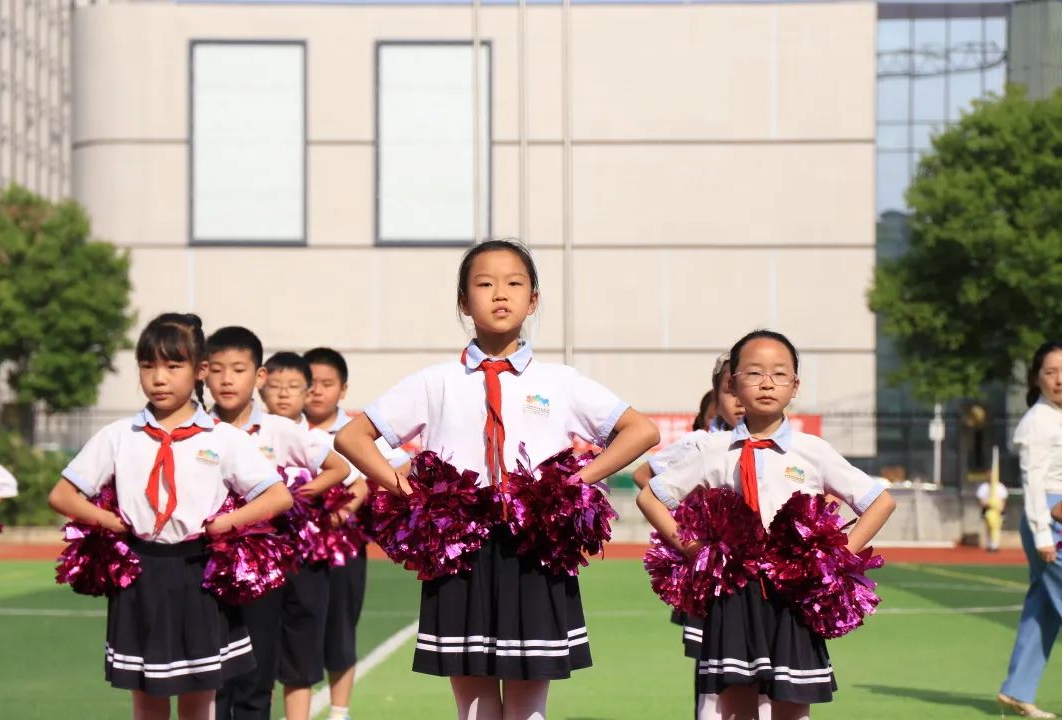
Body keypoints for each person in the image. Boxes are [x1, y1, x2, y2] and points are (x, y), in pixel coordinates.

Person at [336, 239, 659, 720]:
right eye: (484, 284)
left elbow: (642, 431)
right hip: (458, 550)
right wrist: (408, 493)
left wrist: (577, 481)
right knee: (473, 700)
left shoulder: (561, 381)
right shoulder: (434, 381)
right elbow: (352, 437)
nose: (500, 294)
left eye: (514, 283)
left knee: (529, 699)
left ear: (533, 300)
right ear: (464, 302)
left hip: (536, 547)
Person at [637, 329, 895, 720]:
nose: (767, 383)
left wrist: (836, 557)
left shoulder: (812, 450)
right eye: (754, 372)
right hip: (733, 595)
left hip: (793, 596)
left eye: (779, 373)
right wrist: (692, 550)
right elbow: (650, 497)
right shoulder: (713, 449)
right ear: (732, 384)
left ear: (795, 385)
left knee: (792, 706)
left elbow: (880, 501)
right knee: (736, 706)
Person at [47, 313, 293, 720]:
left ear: (199, 371)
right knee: (147, 695)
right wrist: (110, 523)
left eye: (173, 366)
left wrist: (226, 523)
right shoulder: (118, 435)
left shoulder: (223, 438)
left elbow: (277, 496)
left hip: (200, 573)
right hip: (139, 575)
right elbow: (62, 494)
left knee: (199, 696)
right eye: (148, 366)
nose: (159, 378)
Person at [205, 327, 353, 720]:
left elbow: (339, 467)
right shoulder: (197, 430)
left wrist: (295, 494)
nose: (226, 379)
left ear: (258, 377)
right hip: (206, 563)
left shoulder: (279, 429)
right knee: (211, 679)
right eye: (216, 369)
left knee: (256, 677)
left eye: (238, 369)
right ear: (203, 373)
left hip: (262, 568)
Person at [303, 346, 411, 720]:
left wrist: (366, 487)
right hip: (291, 551)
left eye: (327, 383)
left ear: (343, 389)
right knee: (294, 632)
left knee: (341, 628)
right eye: (310, 383)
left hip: (344, 549)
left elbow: (403, 465)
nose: (317, 391)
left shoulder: (354, 433)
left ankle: (339, 711)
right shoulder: (288, 429)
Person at [998, 340, 1062, 719]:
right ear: (1037, 379)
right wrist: (1042, 535)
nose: (1059, 379)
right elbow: (1033, 483)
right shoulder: (1038, 422)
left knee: (1044, 608)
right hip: (1050, 524)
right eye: (1051, 372)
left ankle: (1017, 690)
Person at [633, 352, 744, 491]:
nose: (741, 401)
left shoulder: (768, 444)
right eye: (731, 391)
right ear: (716, 401)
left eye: (748, 389)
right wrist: (679, 505)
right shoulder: (697, 441)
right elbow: (642, 475)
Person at [976, 477, 1009, 553]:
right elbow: (981, 499)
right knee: (989, 528)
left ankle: (995, 545)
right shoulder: (984, 486)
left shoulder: (1000, 486)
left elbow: (1003, 500)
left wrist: (1001, 509)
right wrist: (988, 504)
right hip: (988, 510)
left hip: (998, 511)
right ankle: (990, 544)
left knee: (996, 528)